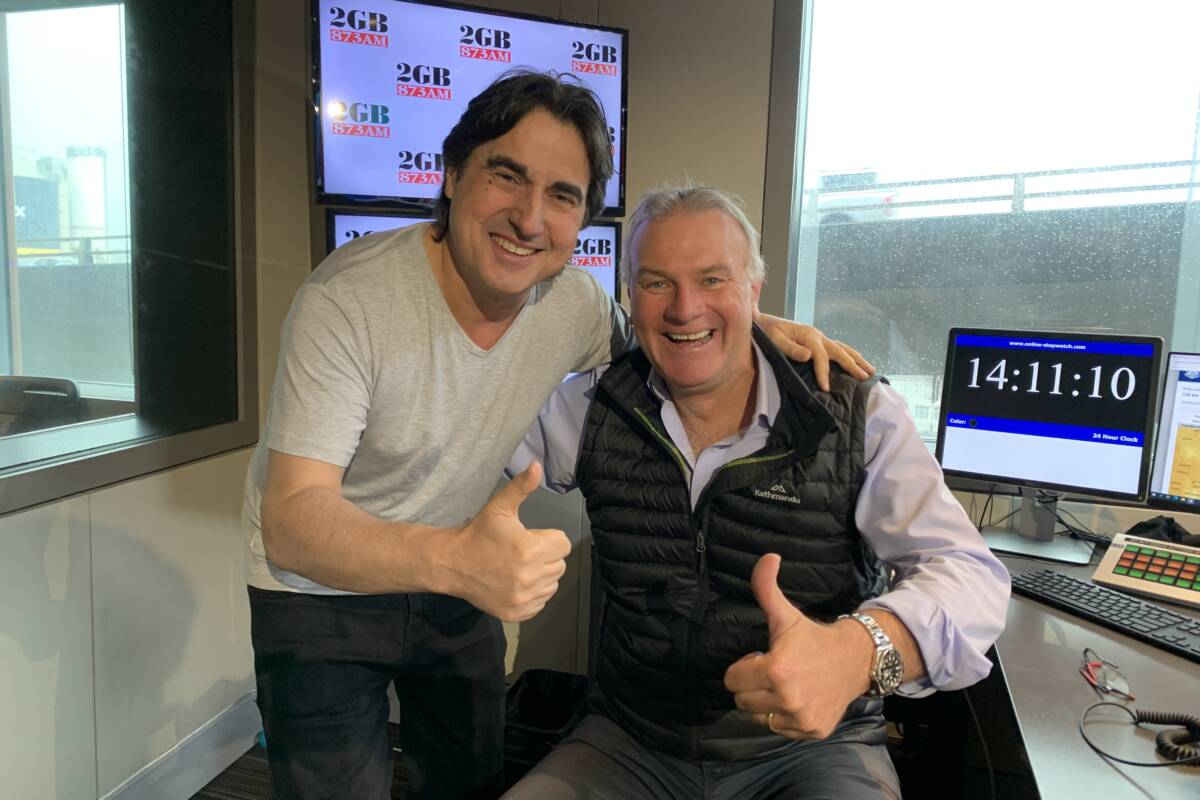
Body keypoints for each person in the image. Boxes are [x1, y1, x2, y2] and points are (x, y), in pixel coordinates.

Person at [243, 72, 868, 800]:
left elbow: (670, 334)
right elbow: (292, 521)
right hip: (322, 586)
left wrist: (751, 327)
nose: (529, 219)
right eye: (506, 176)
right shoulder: (347, 301)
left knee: (470, 781)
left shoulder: (572, 303)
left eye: (563, 195)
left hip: (459, 573)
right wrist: (456, 561)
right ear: (452, 174)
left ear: (582, 220)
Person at [503, 185, 1011, 799]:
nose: (684, 308)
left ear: (754, 290)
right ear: (630, 295)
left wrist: (857, 652)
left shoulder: (856, 412)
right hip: (628, 741)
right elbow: (461, 441)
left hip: (813, 752)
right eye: (657, 283)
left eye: (713, 280)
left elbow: (969, 574)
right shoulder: (589, 405)